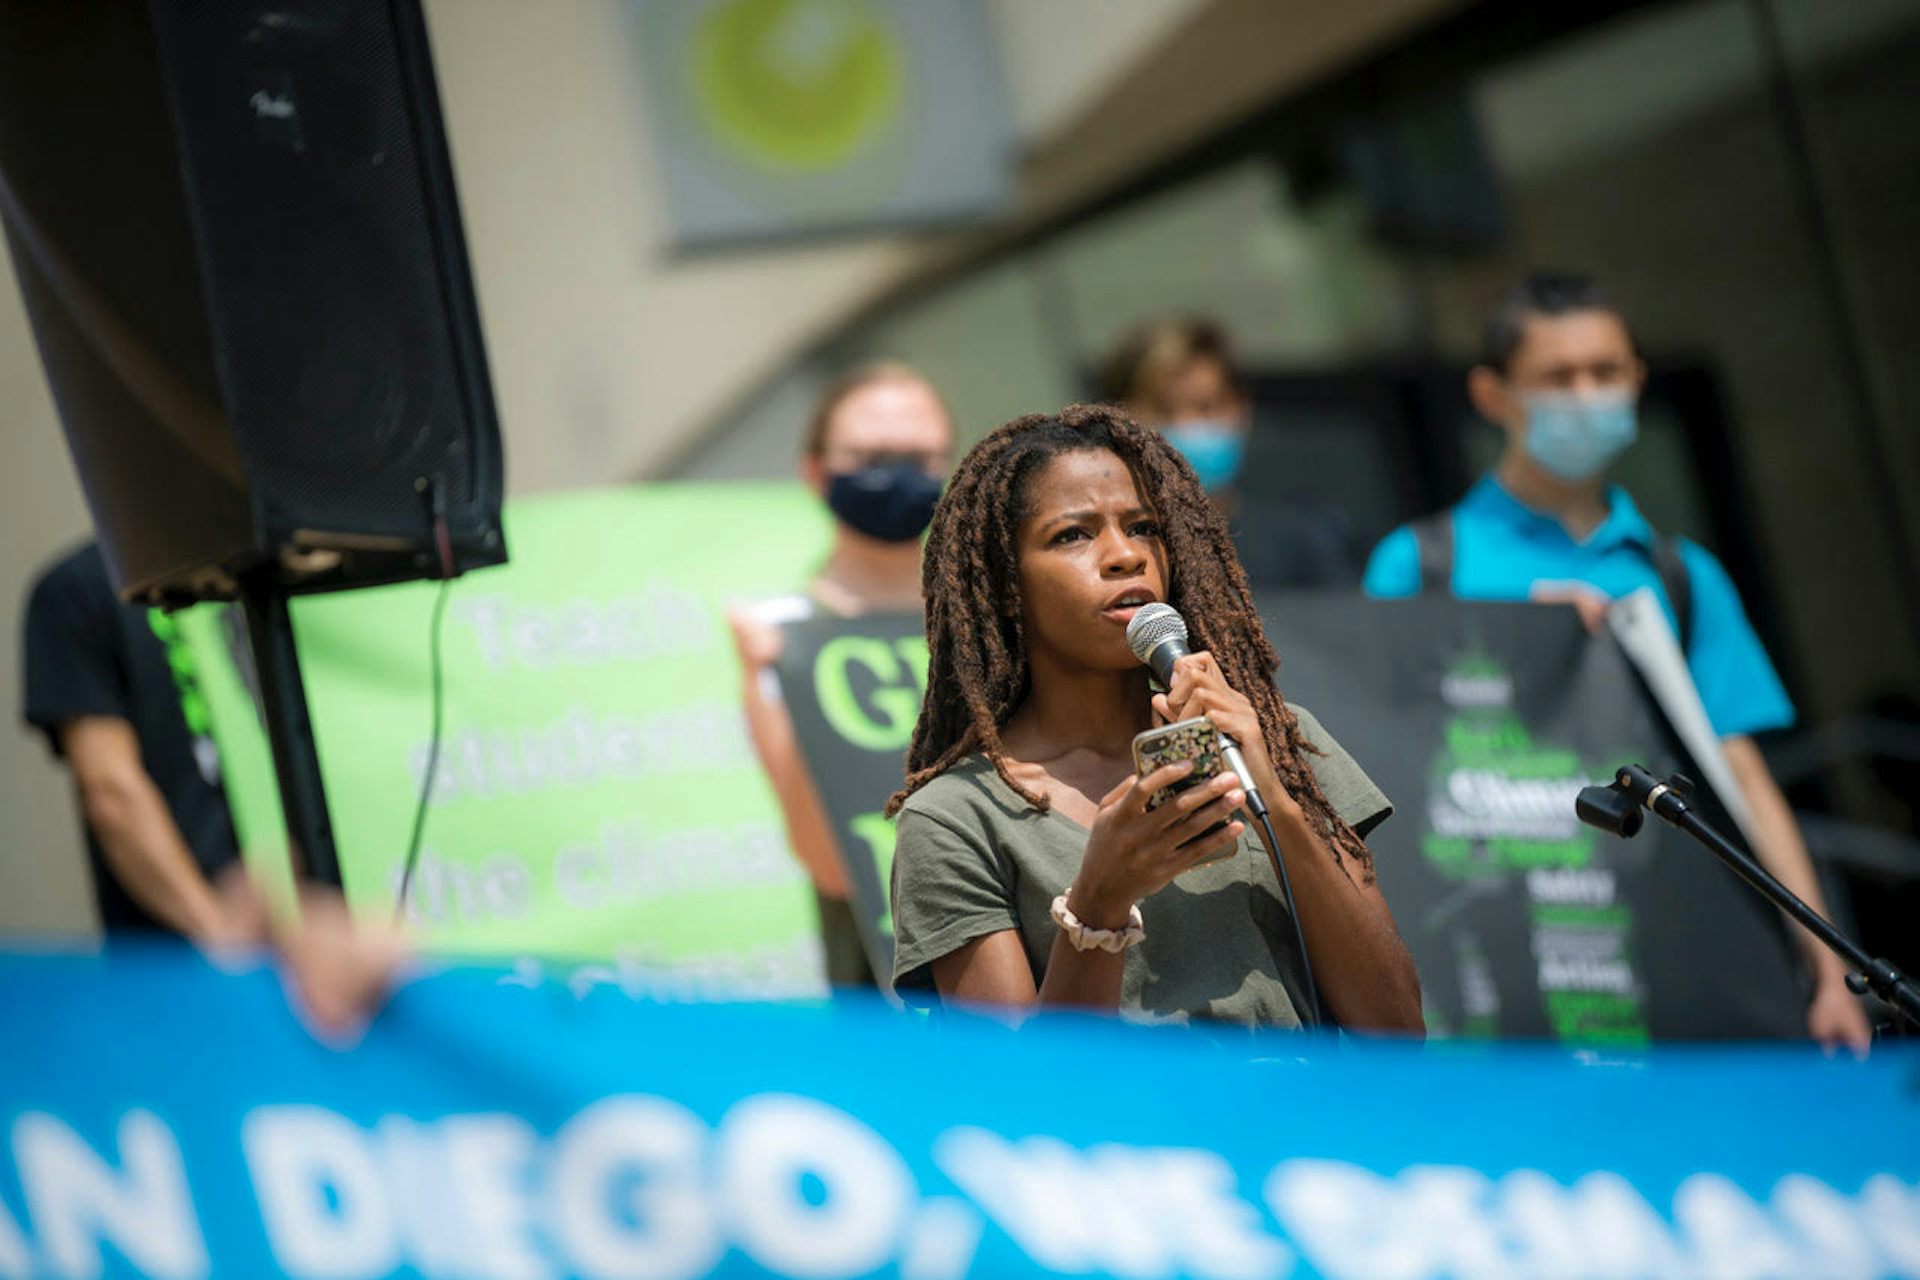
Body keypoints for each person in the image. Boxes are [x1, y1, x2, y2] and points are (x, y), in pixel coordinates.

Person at [1362, 269, 1872, 1053]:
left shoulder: (1679, 576)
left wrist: (1828, 962)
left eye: (1605, 373)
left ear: (1636, 380)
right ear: (1494, 395)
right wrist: (1505, 636)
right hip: (1494, 961)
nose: (1586, 395)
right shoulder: (1420, 566)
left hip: (1675, 948)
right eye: (1558, 377)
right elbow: (1367, 765)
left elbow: (1741, 779)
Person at [885, 403, 1423, 1030]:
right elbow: (1024, 1093)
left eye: (1143, 527)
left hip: (1306, 1126)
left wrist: (1273, 797)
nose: (1124, 556)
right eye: (1073, 535)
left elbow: (1397, 1027)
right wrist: (1098, 905)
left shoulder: (1273, 736)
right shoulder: (956, 818)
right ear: (1006, 583)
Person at [728, 363, 956, 987]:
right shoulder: (782, 635)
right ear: (815, 471)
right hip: (886, 993)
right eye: (870, 454)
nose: (895, 471)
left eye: (916, 455)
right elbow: (827, 862)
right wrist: (780, 678)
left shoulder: (998, 621)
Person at [22, 541, 239, 939]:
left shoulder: (277, 567)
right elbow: (111, 792)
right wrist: (219, 935)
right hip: (182, 949)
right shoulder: (79, 587)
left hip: (317, 937)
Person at [1099, 315, 1358, 588]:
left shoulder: (1307, 544)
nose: (1188, 426)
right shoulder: (1115, 557)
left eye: (1205, 407)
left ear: (1241, 410)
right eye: (1164, 411)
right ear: (1120, 420)